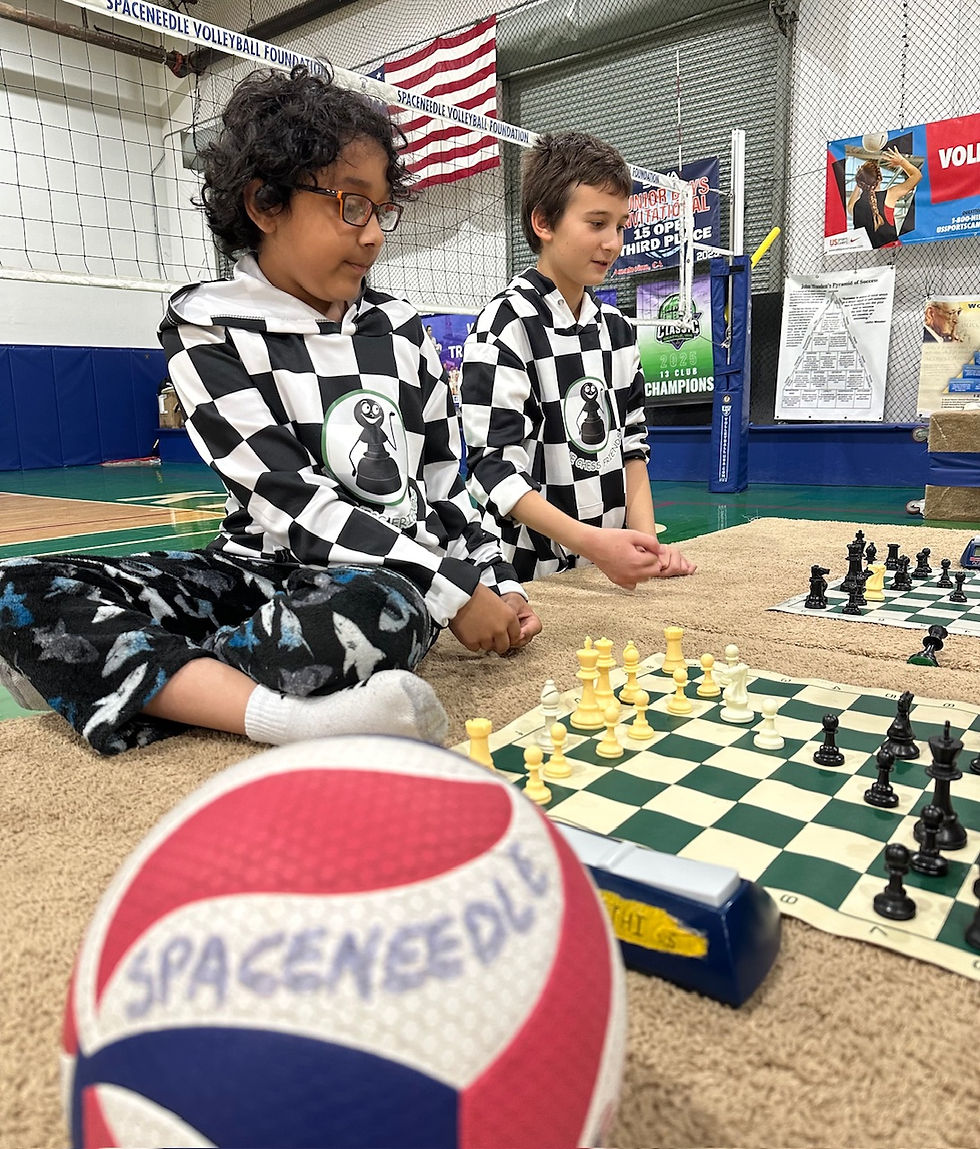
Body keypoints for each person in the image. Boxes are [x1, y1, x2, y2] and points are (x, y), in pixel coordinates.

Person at [0, 65, 540, 757]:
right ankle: (290, 716)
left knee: (382, 607)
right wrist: (453, 589)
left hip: (380, 575)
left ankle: (157, 673)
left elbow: (446, 483)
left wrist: (490, 579)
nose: (373, 235)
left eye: (381, 209)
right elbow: (292, 504)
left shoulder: (402, 331)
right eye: (352, 205)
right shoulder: (207, 328)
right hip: (254, 576)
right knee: (20, 588)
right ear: (264, 203)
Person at [459, 130, 695, 590]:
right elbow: (496, 470)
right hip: (527, 578)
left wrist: (644, 545)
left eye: (621, 225)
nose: (613, 242)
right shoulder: (506, 327)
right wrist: (595, 545)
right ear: (544, 222)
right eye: (596, 223)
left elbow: (632, 446)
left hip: (603, 568)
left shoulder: (618, 330)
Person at [846, 147, 921, 249]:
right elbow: (917, 176)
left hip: (867, 255)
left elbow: (850, 205)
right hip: (891, 253)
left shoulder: (856, 206)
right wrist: (901, 162)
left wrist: (859, 185)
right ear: (880, 178)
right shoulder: (889, 195)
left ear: (860, 183)